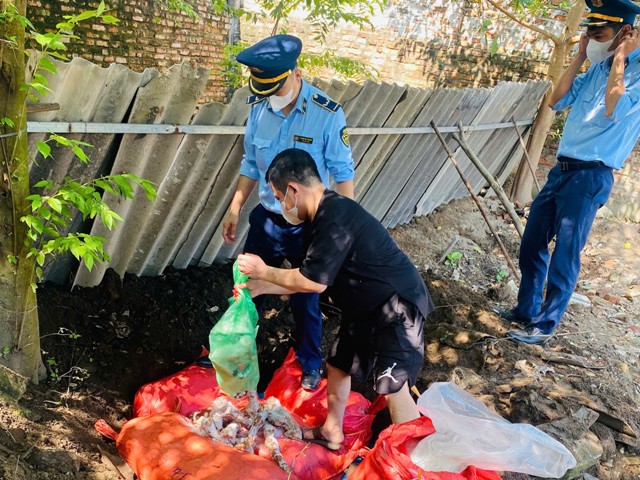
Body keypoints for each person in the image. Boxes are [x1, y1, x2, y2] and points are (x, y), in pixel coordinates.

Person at [236, 148, 434, 450]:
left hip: (396, 306)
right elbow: (309, 278)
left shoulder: (335, 218)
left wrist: (265, 270)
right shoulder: (321, 220)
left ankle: (410, 465)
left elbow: (312, 283)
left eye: (279, 198)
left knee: (393, 387)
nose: (280, 205)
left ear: (293, 190)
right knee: (339, 366)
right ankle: (332, 431)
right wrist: (263, 286)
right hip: (364, 309)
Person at [500, 0, 640, 345]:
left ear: (625, 32)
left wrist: (621, 56)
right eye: (589, 31)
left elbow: (613, 105)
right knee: (533, 241)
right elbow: (556, 100)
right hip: (561, 171)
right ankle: (526, 311)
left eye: (599, 32)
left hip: (591, 175)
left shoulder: (631, 73)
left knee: (565, 250)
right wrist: (579, 57)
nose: (592, 37)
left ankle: (545, 326)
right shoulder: (596, 69)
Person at [222, 34, 355, 391]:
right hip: (267, 219)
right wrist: (235, 207)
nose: (272, 96)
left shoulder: (327, 114)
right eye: (265, 89)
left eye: (277, 87)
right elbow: (250, 162)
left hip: (307, 225)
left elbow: (343, 175)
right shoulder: (258, 108)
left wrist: (343, 230)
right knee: (245, 285)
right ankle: (233, 352)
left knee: (305, 296)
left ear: (296, 72)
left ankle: (310, 363)